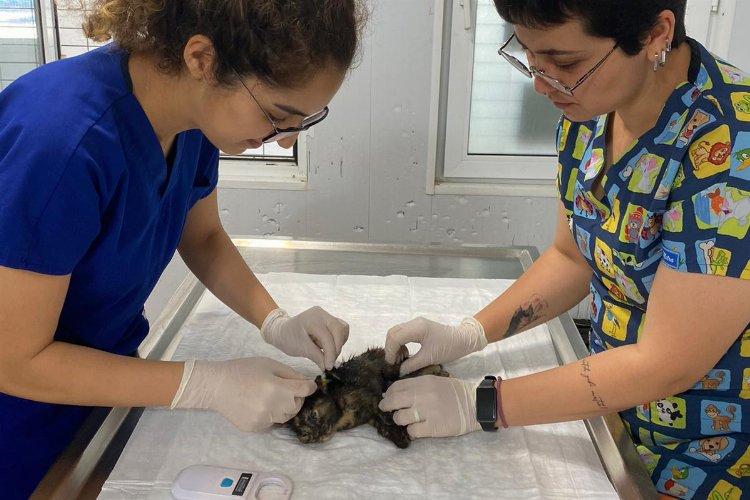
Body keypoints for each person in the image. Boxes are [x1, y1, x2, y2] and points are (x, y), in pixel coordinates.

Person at [380, 1, 750, 496]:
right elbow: (572, 257)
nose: (542, 84)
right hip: (608, 414)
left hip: (704, 450)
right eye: (529, 56)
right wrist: (471, 332)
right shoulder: (590, 109)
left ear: (655, 34)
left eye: (565, 62)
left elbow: (666, 363)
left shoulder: (730, 149)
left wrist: (482, 403)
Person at [0, 0, 364, 496]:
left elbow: (202, 237)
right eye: (279, 115)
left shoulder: (192, 121)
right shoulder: (61, 142)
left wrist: (275, 320)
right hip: (19, 418)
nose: (284, 141)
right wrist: (203, 385)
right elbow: (14, 360)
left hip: (106, 382)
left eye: (304, 121)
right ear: (201, 59)